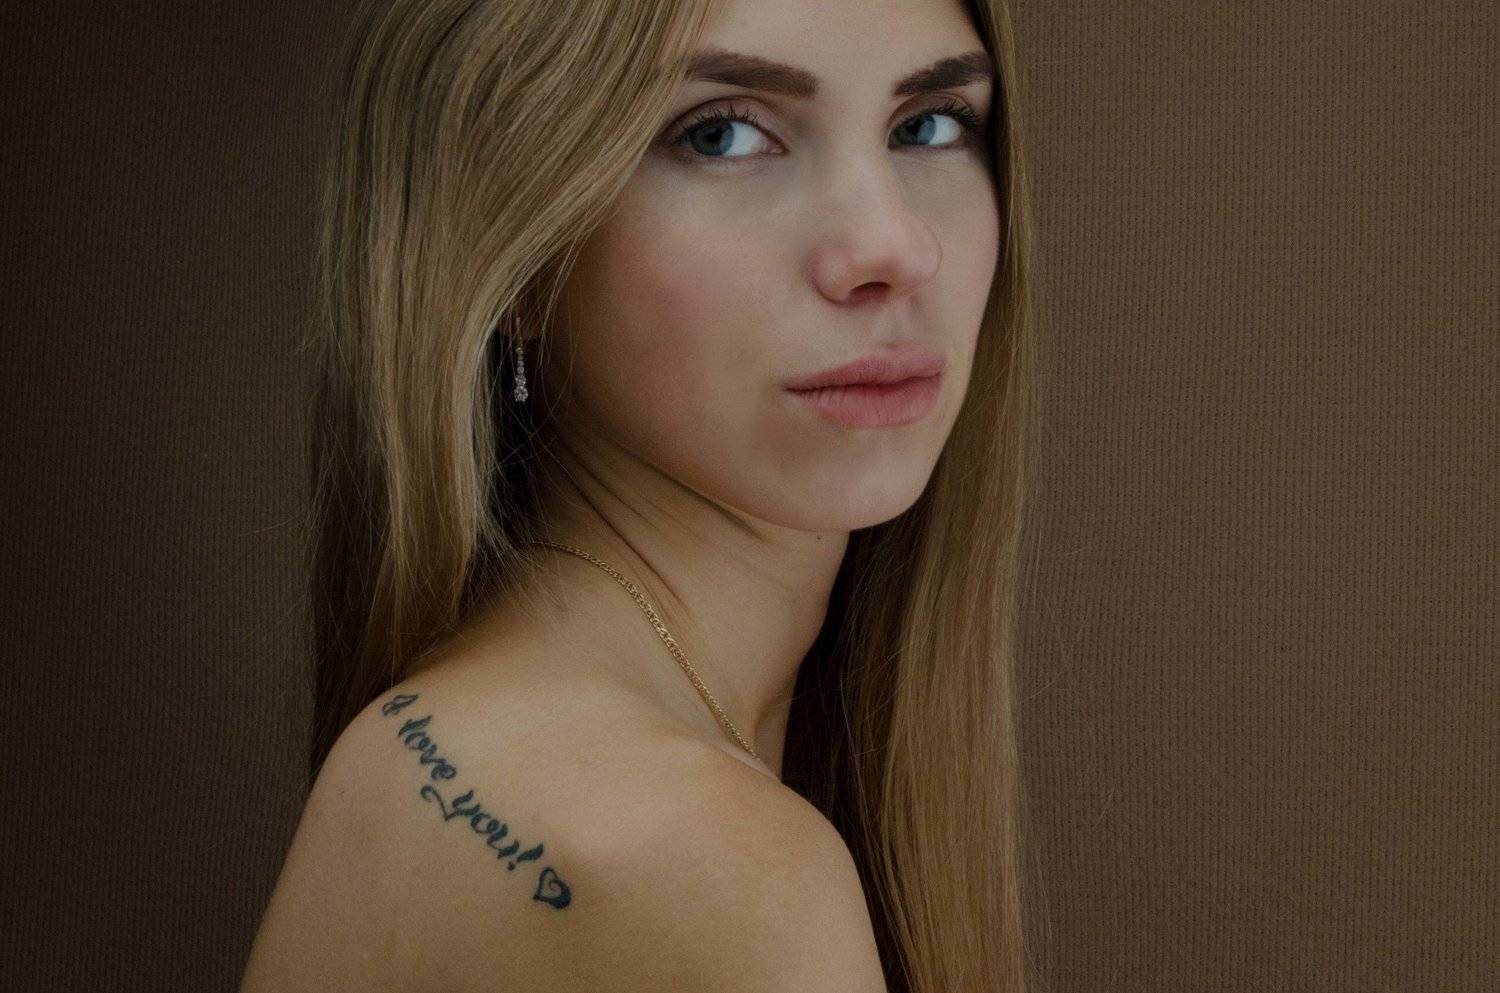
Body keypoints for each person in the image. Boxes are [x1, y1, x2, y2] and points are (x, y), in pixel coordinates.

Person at [240, 0, 1039, 989]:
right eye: (723, 134)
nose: (892, 248)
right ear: (513, 252)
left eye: (929, 125)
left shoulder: (454, 733)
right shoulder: (698, 859)